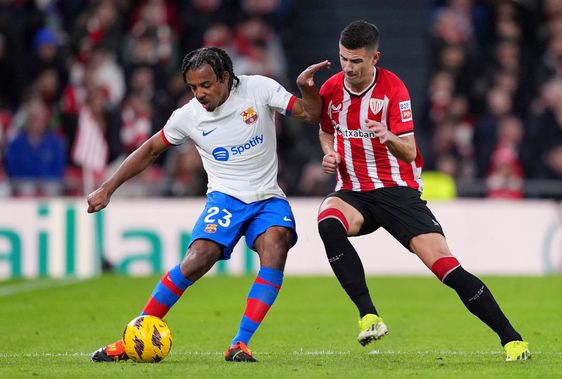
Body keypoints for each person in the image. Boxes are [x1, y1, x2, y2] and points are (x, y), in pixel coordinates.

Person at [88, 47, 330, 363]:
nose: (199, 94)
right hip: (225, 198)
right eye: (193, 87)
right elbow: (149, 150)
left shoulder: (259, 89)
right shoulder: (188, 116)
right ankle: (131, 337)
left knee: (276, 245)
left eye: (206, 85)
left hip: (267, 196)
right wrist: (108, 188)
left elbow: (311, 114)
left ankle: (239, 343)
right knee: (198, 258)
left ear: (225, 77)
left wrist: (306, 88)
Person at [315, 20, 530, 361]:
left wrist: (389, 137)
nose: (348, 68)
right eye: (344, 59)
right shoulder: (330, 89)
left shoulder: (393, 90)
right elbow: (326, 130)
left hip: (398, 191)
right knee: (328, 223)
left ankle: (512, 338)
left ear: (375, 58)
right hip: (353, 191)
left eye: (356, 61)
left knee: (446, 268)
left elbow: (411, 152)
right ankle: (369, 315)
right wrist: (329, 152)